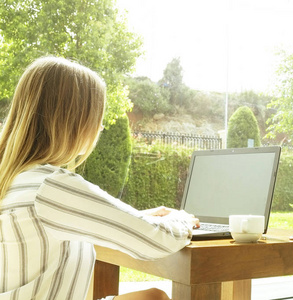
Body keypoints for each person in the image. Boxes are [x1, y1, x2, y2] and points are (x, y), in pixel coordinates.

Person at [0, 56, 199, 300]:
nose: (99, 128)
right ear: (75, 122)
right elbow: (157, 241)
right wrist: (183, 219)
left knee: (151, 296)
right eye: (98, 119)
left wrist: (137, 218)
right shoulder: (50, 187)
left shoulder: (14, 179)